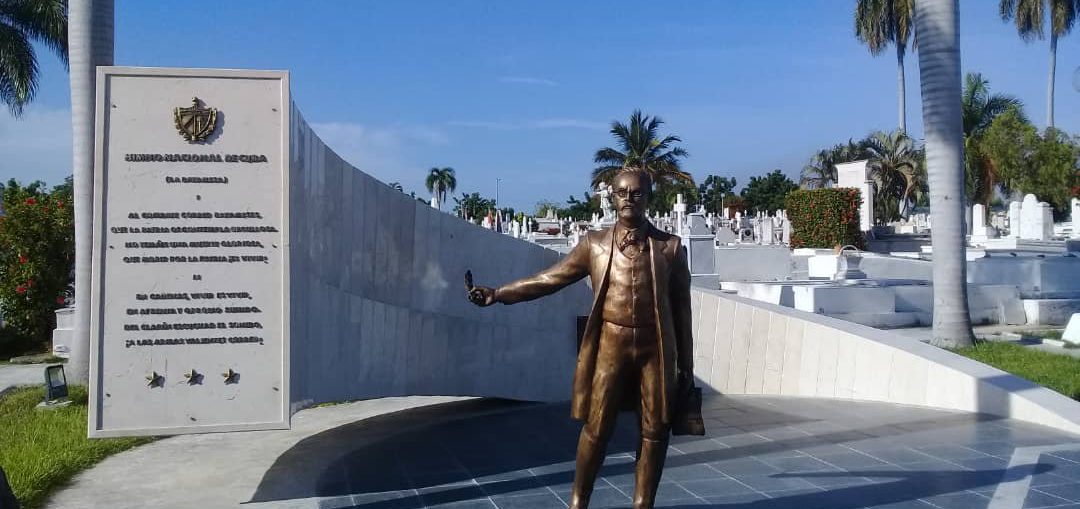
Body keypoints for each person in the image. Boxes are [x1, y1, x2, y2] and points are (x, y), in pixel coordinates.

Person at [466, 168, 700, 509]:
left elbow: (683, 313)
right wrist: (499, 293)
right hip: (611, 343)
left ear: (649, 196)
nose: (628, 199)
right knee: (597, 427)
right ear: (612, 197)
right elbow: (550, 279)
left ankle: (642, 503)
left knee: (655, 429)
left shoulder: (671, 249)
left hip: (656, 349)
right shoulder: (594, 245)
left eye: (636, 193)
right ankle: (579, 500)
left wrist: (687, 370)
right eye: (622, 192)